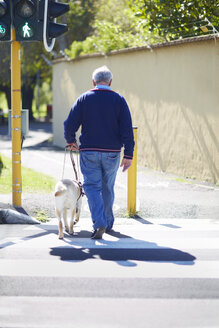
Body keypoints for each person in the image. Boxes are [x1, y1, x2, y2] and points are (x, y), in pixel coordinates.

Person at [64, 65, 135, 239]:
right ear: (110, 81)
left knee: (92, 187)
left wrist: (71, 141)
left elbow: (69, 124)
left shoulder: (84, 99)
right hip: (112, 152)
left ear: (93, 81)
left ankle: (99, 222)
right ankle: (108, 223)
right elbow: (127, 129)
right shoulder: (119, 100)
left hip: (89, 151)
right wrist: (128, 155)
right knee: (107, 188)